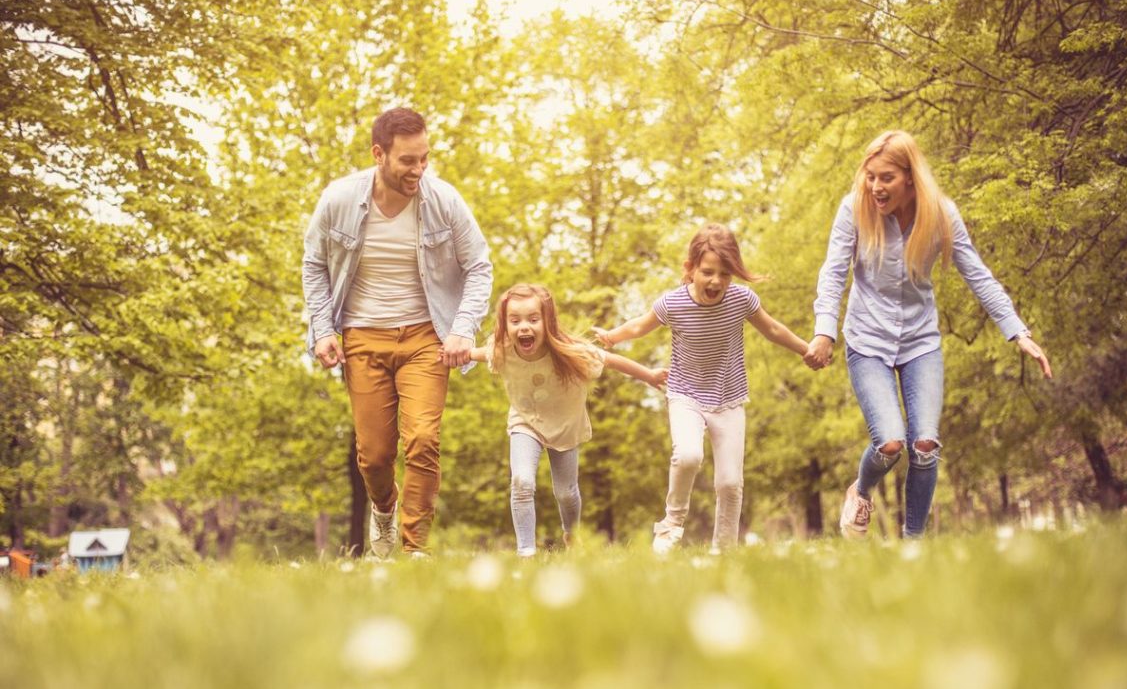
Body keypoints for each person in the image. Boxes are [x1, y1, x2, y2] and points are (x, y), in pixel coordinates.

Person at [804, 129, 1052, 539]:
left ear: (909, 177)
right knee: (889, 443)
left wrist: (1017, 332)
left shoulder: (940, 214)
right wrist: (824, 332)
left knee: (924, 446)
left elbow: (979, 275)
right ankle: (861, 490)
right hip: (868, 341)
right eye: (870, 177)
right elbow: (832, 274)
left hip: (920, 342)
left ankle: (913, 546)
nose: (875, 187)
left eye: (886, 178)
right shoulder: (854, 210)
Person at [301, 106, 492, 558]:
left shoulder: (443, 200)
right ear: (379, 154)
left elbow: (479, 266)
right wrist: (323, 328)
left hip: (427, 337)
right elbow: (313, 264)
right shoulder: (339, 199)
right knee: (375, 454)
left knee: (423, 439)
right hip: (363, 336)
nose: (419, 169)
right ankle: (383, 511)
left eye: (425, 158)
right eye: (408, 160)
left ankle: (414, 550)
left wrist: (462, 329)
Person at [595, 224, 815, 554]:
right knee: (688, 455)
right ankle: (671, 525)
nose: (716, 281)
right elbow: (639, 325)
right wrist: (612, 337)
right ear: (690, 270)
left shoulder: (742, 300)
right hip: (685, 396)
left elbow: (772, 328)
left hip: (729, 399)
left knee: (729, 483)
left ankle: (723, 551)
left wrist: (805, 348)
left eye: (725, 274)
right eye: (707, 272)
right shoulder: (673, 303)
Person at [468, 284, 668, 556]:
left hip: (565, 427)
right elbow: (476, 354)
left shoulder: (570, 350)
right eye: (515, 321)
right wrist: (455, 353)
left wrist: (650, 375)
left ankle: (571, 533)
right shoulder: (502, 351)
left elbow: (610, 360)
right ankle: (525, 552)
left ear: (547, 321)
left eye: (533, 319)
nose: (524, 327)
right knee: (522, 482)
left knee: (566, 492)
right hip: (525, 423)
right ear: (505, 324)